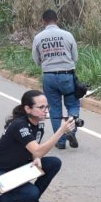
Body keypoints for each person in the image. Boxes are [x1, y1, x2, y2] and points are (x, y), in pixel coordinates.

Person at [0, 90, 75, 202]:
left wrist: (35, 157)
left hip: (15, 169)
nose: (45, 110)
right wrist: (60, 131)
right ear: (27, 108)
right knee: (31, 192)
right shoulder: (19, 124)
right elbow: (37, 150)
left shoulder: (39, 123)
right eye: (41, 107)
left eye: (47, 107)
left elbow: (35, 151)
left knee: (54, 163)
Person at [31, 9, 80, 150]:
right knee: (73, 105)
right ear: (57, 20)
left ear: (43, 21)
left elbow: (36, 60)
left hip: (49, 77)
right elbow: (75, 57)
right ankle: (71, 129)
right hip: (67, 76)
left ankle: (60, 141)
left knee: (54, 109)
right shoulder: (67, 35)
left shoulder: (38, 38)